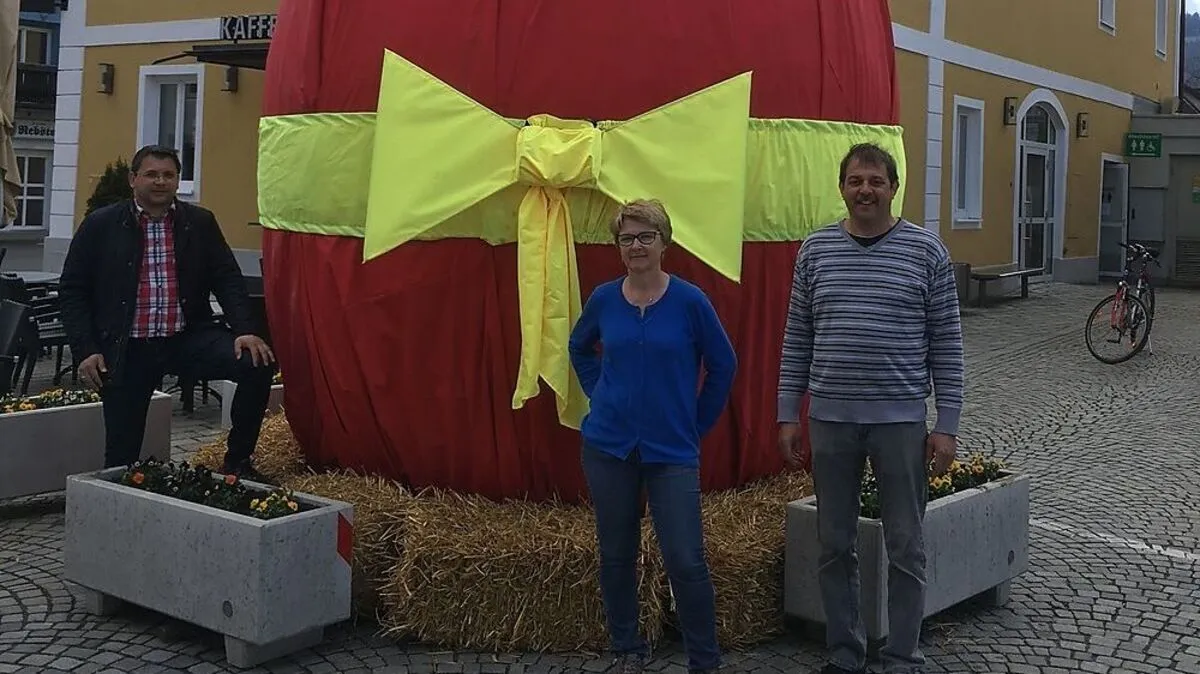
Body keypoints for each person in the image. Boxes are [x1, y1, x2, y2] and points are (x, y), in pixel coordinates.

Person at [776, 144, 965, 674]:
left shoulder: (926, 252)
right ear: (841, 187)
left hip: (900, 423)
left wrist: (945, 425)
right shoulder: (814, 251)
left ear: (893, 187)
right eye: (856, 180)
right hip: (830, 422)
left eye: (876, 181)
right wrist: (787, 413)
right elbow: (798, 338)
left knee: (906, 545)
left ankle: (903, 654)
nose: (865, 190)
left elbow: (947, 343)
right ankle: (845, 652)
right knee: (835, 544)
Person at [568, 199, 737, 674]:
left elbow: (723, 364)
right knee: (617, 553)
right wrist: (599, 391)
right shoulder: (604, 298)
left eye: (646, 236)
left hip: (672, 451)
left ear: (665, 242)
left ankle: (704, 659)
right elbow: (579, 346)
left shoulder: (690, 301)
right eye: (627, 238)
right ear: (617, 246)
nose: (636, 246)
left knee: (686, 558)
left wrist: (696, 421)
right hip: (608, 447)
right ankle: (627, 648)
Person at [58, 144, 277, 478]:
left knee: (256, 364)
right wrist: (86, 349)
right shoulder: (101, 225)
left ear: (177, 180)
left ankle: (238, 462)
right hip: (126, 347)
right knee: (121, 453)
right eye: (151, 174)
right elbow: (72, 289)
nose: (160, 182)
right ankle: (120, 495)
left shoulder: (199, 222)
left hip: (186, 337)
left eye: (168, 175)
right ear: (133, 179)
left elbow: (227, 277)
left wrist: (245, 330)